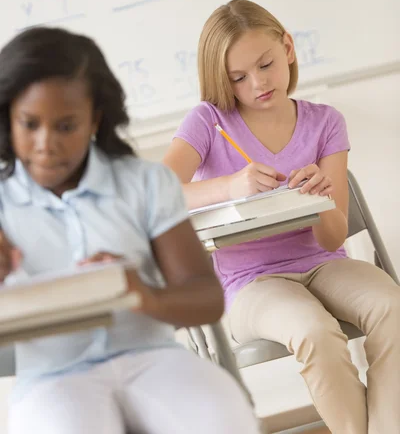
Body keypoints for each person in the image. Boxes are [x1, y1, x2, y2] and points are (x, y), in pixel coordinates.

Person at [0, 26, 259, 434]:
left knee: (221, 418)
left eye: (66, 126)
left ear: (94, 119)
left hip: (152, 358)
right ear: (8, 118)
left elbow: (207, 298)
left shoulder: (145, 183)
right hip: (52, 379)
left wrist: (142, 293)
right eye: (29, 124)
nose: (45, 143)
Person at [164, 0, 400, 434]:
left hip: (324, 264)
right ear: (223, 79)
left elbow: (331, 240)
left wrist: (322, 196)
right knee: (314, 330)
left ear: (288, 47)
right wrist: (230, 186)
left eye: (266, 64)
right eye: (238, 77)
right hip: (250, 285)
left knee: (392, 306)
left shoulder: (326, 123)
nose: (258, 83)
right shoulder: (208, 121)